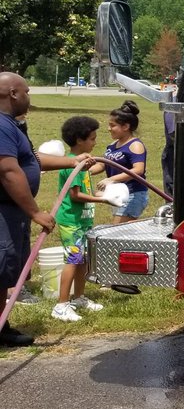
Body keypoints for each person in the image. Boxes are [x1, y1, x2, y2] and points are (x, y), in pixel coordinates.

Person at [0, 73, 87, 347]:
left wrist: (72, 161)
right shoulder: (1, 126)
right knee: (1, 266)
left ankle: (2, 327)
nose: (29, 96)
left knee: (4, 272)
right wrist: (35, 212)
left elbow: (32, 161)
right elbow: (8, 171)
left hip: (11, 212)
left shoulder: (12, 125)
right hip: (4, 210)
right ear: (13, 93)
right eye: (27, 91)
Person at [50, 116, 107, 322]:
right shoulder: (70, 165)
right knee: (73, 260)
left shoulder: (83, 163)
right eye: (92, 139)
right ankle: (61, 305)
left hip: (83, 220)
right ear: (79, 140)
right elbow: (75, 195)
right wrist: (103, 200)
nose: (95, 142)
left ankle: (79, 297)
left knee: (82, 260)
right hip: (71, 222)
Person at [99, 100, 148, 223]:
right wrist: (81, 168)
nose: (108, 129)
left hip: (133, 195)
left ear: (125, 126)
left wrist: (111, 179)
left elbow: (138, 170)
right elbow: (102, 164)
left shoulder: (135, 145)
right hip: (119, 194)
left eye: (112, 125)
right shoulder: (113, 144)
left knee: (117, 232)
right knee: (121, 233)